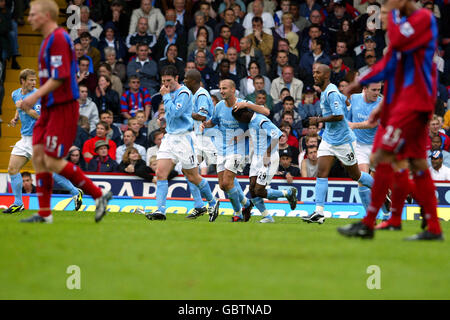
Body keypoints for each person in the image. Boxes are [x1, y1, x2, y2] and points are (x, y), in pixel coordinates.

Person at [338, 0, 443, 240]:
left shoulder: (421, 20)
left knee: (381, 157)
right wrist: (373, 95)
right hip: (408, 102)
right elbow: (391, 65)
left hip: (415, 101)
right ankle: (429, 226)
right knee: (412, 163)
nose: (381, 16)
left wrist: (392, 15)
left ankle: (369, 222)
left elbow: (395, 47)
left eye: (384, 11)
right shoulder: (405, 25)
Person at [18, 0, 111, 224]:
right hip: (50, 107)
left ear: (46, 15)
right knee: (38, 157)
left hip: (63, 107)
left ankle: (99, 195)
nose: (28, 18)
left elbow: (59, 78)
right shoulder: (46, 41)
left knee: (51, 160)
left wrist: (32, 96)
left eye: (33, 14)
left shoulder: (58, 38)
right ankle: (45, 213)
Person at [301, 64, 375, 224]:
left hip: (343, 141)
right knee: (321, 173)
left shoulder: (331, 92)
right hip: (329, 139)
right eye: (313, 72)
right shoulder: (328, 91)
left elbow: (339, 116)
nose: (314, 75)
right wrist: (348, 104)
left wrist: (318, 119)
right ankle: (319, 213)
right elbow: (345, 102)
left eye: (318, 73)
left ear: (326, 75)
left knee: (356, 175)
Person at [144, 65, 219, 221]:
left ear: (176, 78)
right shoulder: (170, 92)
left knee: (192, 177)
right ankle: (160, 211)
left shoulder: (184, 92)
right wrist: (164, 120)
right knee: (160, 173)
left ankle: (212, 202)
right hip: (170, 138)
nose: (166, 85)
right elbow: (173, 115)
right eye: (163, 81)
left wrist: (165, 97)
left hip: (185, 139)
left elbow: (177, 113)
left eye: (169, 81)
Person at [3, 68, 83, 214]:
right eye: (31, 80)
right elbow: (18, 104)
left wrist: (24, 108)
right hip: (25, 139)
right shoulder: (15, 93)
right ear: (23, 81)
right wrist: (16, 117)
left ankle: (75, 192)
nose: (34, 83)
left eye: (35, 80)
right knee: (12, 169)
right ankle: (18, 203)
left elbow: (39, 116)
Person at [202, 79, 270, 221]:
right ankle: (246, 203)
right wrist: (205, 125)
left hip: (238, 150)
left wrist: (246, 104)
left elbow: (266, 111)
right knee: (222, 185)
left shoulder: (242, 104)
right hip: (222, 149)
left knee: (227, 182)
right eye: (220, 88)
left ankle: (238, 213)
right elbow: (213, 122)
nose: (221, 91)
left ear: (233, 90)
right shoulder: (219, 106)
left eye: (225, 88)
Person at [231, 107, 298, 223]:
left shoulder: (261, 121)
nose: (240, 121)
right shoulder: (251, 122)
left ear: (245, 114)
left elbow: (277, 134)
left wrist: (267, 154)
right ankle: (267, 216)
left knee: (259, 190)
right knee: (252, 189)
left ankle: (288, 193)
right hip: (257, 158)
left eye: (239, 118)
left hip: (268, 157)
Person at [182, 69, 220, 219]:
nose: (184, 81)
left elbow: (202, 116)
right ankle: (200, 205)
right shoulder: (192, 95)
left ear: (194, 80)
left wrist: (185, 113)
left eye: (186, 79)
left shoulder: (202, 95)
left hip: (210, 139)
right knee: (188, 170)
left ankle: (244, 204)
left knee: (225, 175)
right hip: (198, 138)